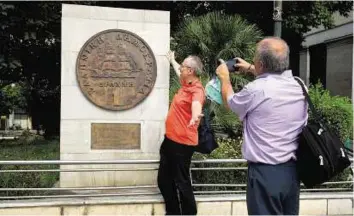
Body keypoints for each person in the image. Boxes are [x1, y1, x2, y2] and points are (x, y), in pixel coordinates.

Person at [216, 37, 308, 215]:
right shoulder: (300, 86)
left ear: (260, 63)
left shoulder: (255, 90)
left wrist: (224, 78)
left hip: (264, 173)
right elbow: (273, 81)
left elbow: (230, 102)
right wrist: (251, 68)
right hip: (292, 173)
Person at [157, 50, 205, 215]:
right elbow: (179, 69)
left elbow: (196, 105)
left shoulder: (196, 90)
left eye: (184, 66)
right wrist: (172, 60)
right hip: (170, 141)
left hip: (182, 144)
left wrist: (195, 117)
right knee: (164, 181)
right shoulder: (186, 84)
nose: (181, 68)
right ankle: (173, 212)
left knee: (182, 182)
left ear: (190, 71)